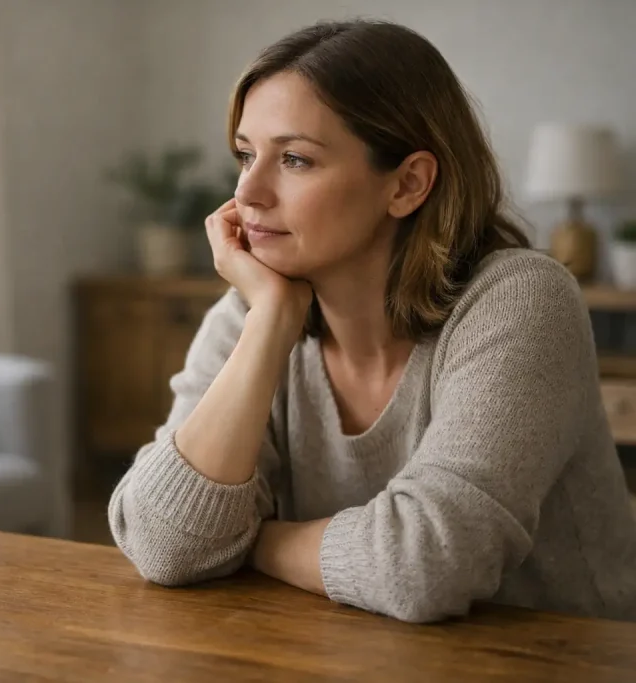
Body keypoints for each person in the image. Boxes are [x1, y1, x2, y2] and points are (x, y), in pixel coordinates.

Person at [108, 19, 636, 623]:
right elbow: (163, 543)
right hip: (350, 650)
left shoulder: (522, 300)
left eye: (295, 159)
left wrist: (249, 540)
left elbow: (423, 566)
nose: (248, 193)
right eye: (246, 155)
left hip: (564, 657)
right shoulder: (253, 311)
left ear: (408, 184)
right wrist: (269, 323)